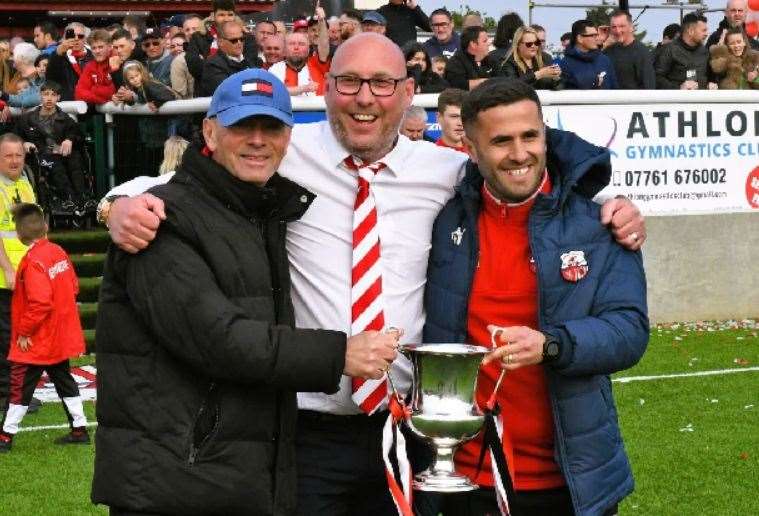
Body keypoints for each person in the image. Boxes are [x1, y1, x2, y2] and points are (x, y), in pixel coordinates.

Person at [100, 33, 646, 515]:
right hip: (305, 424)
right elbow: (187, 180)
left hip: (406, 425)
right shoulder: (283, 151)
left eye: (382, 84)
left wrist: (607, 198)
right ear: (327, 87)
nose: (366, 98)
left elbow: (522, 159)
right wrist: (117, 205)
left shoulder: (444, 171)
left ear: (407, 93)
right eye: (350, 81)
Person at [90, 67, 394, 515]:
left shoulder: (262, 209)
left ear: (288, 138)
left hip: (231, 472)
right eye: (241, 126)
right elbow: (218, 339)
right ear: (209, 132)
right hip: (177, 480)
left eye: (270, 127)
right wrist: (340, 354)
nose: (257, 139)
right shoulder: (160, 218)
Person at [423, 77, 648, 516]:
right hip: (465, 476)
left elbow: (629, 330)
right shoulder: (444, 218)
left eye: (530, 135)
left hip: (569, 480)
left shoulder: (599, 223)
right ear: (471, 148)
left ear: (547, 135)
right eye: (501, 141)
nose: (520, 153)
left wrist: (550, 344)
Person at [0, 203, 89, 453]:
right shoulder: (58, 251)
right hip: (58, 336)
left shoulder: (32, 261)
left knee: (19, 386)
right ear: (46, 227)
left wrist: (25, 332)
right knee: (65, 381)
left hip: (38, 339)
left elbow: (40, 303)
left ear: (18, 235)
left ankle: (5, 437)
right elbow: (73, 286)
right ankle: (79, 429)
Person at [0, 134, 37, 412]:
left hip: (27, 277)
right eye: (8, 156)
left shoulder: (25, 183)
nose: (14, 161)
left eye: (18, 155)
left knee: (21, 335)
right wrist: (9, 269)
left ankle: (18, 392)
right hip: (5, 278)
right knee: (5, 338)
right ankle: (5, 394)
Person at [15, 80, 89, 208]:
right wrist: (23, 143)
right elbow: (13, 136)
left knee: (75, 161)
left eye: (53, 95)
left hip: (62, 154)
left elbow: (79, 136)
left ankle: (82, 198)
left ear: (58, 97)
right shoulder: (26, 119)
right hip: (40, 156)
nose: (49, 98)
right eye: (46, 94)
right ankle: (69, 199)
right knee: (56, 166)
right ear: (40, 96)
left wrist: (69, 140)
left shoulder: (66, 119)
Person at [186, 0, 258, 84]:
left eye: (230, 15)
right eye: (221, 15)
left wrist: (207, 62)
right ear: (213, 16)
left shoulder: (246, 37)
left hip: (240, 87)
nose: (226, 19)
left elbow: (250, 66)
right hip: (205, 92)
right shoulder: (199, 37)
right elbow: (194, 67)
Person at [199, 20, 261, 96]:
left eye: (242, 39)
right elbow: (228, 92)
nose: (239, 43)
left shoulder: (249, 62)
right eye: (234, 40)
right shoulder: (212, 65)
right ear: (220, 42)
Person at [495, 26, 562, 90]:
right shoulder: (508, 63)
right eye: (529, 44)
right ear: (518, 45)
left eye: (536, 43)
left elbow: (559, 87)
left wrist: (555, 78)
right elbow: (512, 86)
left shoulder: (545, 59)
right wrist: (538, 74)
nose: (533, 46)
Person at [655, 13, 710, 89]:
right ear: (690, 31)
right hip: (676, 99)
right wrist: (678, 88)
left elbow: (710, 77)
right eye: (703, 30)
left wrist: (710, 85)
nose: (707, 34)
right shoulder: (669, 50)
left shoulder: (705, 52)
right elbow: (657, 77)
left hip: (700, 99)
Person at [603, 10, 656, 89]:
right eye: (614, 27)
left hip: (632, 100)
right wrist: (602, 44)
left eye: (622, 26)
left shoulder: (641, 52)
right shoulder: (607, 50)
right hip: (609, 99)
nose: (618, 31)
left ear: (631, 27)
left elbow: (648, 86)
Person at [559, 19, 618, 89]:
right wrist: (594, 84)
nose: (596, 38)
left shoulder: (605, 60)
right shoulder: (565, 64)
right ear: (579, 38)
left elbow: (614, 88)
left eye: (596, 35)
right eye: (592, 35)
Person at [46, 22, 91, 101]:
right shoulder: (58, 55)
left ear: (85, 39)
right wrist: (58, 54)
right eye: (72, 35)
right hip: (67, 106)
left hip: (89, 105)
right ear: (65, 38)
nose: (76, 38)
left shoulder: (93, 56)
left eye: (80, 36)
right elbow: (50, 78)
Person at [444, 26, 492, 91]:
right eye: (485, 41)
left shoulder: (490, 61)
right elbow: (458, 85)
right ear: (473, 44)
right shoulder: (456, 63)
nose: (489, 43)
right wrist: (490, 82)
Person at [74, 30, 116, 105]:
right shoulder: (90, 66)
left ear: (109, 47)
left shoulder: (116, 60)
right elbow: (79, 93)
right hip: (101, 110)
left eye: (100, 47)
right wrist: (101, 100)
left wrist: (94, 89)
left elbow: (114, 90)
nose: (97, 51)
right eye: (94, 48)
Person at [2, 43, 43, 108]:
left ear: (21, 58)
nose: (14, 65)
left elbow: (33, 99)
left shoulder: (39, 77)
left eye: (14, 56)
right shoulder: (19, 75)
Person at [434, 88, 467, 152]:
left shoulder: (480, 154)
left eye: (464, 117)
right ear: (438, 118)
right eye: (454, 116)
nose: (460, 123)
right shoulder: (431, 157)